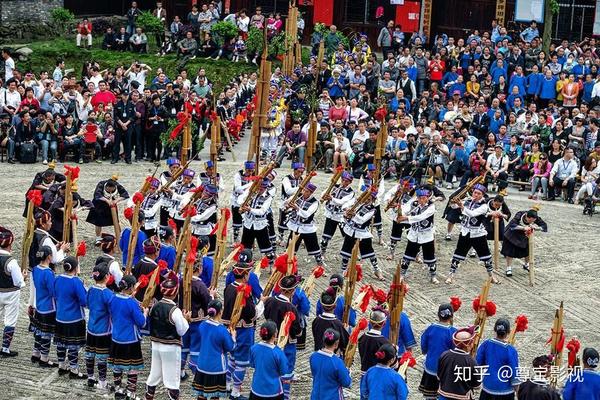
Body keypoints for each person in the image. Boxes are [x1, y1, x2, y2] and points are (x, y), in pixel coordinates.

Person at [145, 271, 190, 400]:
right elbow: (182, 331)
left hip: (155, 345)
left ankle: (149, 396)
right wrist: (186, 319)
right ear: (175, 293)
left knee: (154, 374)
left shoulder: (155, 306)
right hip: (170, 347)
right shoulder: (175, 311)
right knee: (172, 379)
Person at [222, 249, 258, 400]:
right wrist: (259, 307)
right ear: (245, 274)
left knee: (232, 358)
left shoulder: (228, 288)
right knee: (242, 362)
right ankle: (235, 392)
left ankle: (227, 384)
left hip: (231, 329)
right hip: (244, 331)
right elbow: (251, 314)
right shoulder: (244, 292)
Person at [445, 184, 498, 284]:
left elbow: (472, 214)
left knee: (486, 256)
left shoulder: (484, 206)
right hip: (465, 232)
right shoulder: (467, 201)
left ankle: (491, 276)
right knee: (458, 254)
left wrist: (461, 206)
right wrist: (454, 199)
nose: (476, 195)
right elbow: (453, 206)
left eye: (479, 194)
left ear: (482, 195)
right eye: (475, 192)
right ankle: (450, 275)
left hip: (478, 234)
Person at [108, 275, 148, 400]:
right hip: (130, 339)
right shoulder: (131, 303)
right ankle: (131, 392)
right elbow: (141, 322)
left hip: (116, 337)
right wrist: (145, 313)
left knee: (117, 365)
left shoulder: (112, 298)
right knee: (132, 367)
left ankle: (119, 389)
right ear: (131, 287)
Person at [263, 275, 302, 400]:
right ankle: (284, 396)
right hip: (287, 344)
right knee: (286, 370)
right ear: (292, 291)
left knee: (272, 368)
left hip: (270, 340)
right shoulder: (291, 308)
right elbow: (296, 330)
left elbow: (266, 315)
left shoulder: (270, 301)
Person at [191, 299, 236, 400]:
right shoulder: (222, 330)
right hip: (216, 367)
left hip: (202, 364)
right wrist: (233, 336)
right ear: (220, 312)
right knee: (215, 395)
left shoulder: (202, 325)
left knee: (201, 394)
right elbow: (230, 347)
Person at [180, 251, 213, 379]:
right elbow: (207, 303)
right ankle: (196, 372)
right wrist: (211, 295)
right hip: (197, 322)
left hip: (184, 319)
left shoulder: (181, 281)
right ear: (199, 268)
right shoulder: (200, 285)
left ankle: (180, 371)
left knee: (184, 346)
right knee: (195, 348)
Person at [54, 256, 87, 379]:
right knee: (73, 345)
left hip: (60, 317)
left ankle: (62, 365)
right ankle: (73, 369)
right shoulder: (76, 282)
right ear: (75, 267)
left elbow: (55, 294)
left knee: (61, 343)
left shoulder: (57, 279)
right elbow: (84, 301)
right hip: (74, 318)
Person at [397, 187, 438, 283]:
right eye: (420, 198)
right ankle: (402, 274)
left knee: (430, 257)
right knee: (407, 255)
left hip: (426, 235)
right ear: (417, 198)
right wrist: (398, 209)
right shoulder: (414, 204)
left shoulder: (431, 207)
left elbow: (421, 217)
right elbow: (405, 210)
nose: (422, 200)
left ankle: (433, 276)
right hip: (414, 234)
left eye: (424, 198)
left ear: (427, 197)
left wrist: (405, 218)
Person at [341, 187, 382, 280]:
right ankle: (343, 270)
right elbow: (346, 208)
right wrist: (347, 211)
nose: (367, 200)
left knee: (370, 252)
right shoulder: (359, 204)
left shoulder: (373, 210)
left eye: (369, 198)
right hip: (351, 230)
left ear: (373, 199)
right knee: (346, 251)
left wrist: (353, 214)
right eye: (366, 197)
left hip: (362, 233)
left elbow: (362, 220)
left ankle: (377, 270)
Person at [85, 262, 115, 389]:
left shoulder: (91, 290)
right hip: (104, 330)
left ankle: (90, 377)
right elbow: (113, 311)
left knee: (90, 354)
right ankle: (102, 382)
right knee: (102, 357)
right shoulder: (108, 293)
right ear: (107, 276)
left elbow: (87, 303)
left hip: (91, 327)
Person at [418, 303, 457, 400]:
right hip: (445, 370)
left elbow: (424, 344)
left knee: (430, 396)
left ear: (438, 315)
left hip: (431, 366)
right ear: (452, 315)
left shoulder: (431, 328)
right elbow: (455, 351)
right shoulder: (453, 332)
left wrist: (425, 351)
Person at [476, 318, 520, 399]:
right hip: (505, 391)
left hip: (488, 387)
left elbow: (478, 363)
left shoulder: (486, 344)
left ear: (495, 329)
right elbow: (514, 373)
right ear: (508, 332)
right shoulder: (510, 350)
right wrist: (518, 391)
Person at [285, 182, 325, 267]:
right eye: (303, 190)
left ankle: (319, 260)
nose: (304, 192)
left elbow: (306, 214)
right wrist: (288, 203)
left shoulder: (315, 202)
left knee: (314, 246)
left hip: (307, 228)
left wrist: (296, 208)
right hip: (295, 226)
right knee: (291, 246)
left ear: (311, 193)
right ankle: (288, 261)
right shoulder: (298, 196)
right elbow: (285, 203)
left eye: (306, 191)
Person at [437, 326, 482, 399]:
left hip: (443, 396)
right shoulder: (471, 361)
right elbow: (477, 386)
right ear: (468, 345)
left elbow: (439, 377)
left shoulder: (444, 355)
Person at [239, 179, 276, 268]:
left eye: (262, 188)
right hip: (249, 223)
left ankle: (271, 266)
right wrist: (243, 203)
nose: (260, 189)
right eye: (259, 187)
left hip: (260, 225)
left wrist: (250, 209)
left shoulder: (268, 197)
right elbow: (240, 199)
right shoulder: (252, 192)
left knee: (266, 246)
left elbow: (262, 211)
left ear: (265, 187)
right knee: (246, 245)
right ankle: (245, 263)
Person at [31, 246, 58, 367]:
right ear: (49, 257)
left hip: (39, 304)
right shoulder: (48, 273)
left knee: (38, 331)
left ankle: (36, 353)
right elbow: (53, 292)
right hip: (49, 307)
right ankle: (44, 358)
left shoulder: (35, 269)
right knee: (46, 333)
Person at [0, 226, 25, 357]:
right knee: (10, 321)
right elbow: (19, 282)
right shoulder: (11, 262)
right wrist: (23, 277)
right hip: (11, 294)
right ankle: (5, 348)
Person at [501, 207, 548, 277]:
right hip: (512, 234)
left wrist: (537, 228)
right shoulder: (519, 215)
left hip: (525, 235)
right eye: (530, 221)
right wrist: (523, 228)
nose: (531, 222)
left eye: (533, 221)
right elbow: (512, 225)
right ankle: (509, 268)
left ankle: (526, 265)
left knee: (527, 250)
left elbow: (544, 226)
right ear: (526, 217)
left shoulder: (535, 217)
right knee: (510, 251)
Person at [248, 320, 287, 400]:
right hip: (273, 391)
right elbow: (284, 371)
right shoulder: (278, 352)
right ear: (275, 334)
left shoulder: (253, 348)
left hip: (256, 389)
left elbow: (252, 364)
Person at [319, 171, 355, 257]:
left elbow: (341, 202)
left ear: (350, 182)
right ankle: (322, 251)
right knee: (326, 235)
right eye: (343, 180)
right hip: (331, 214)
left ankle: (352, 252)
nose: (344, 182)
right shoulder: (334, 186)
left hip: (341, 216)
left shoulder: (351, 192)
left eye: (346, 181)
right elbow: (323, 193)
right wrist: (325, 195)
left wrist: (331, 198)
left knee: (346, 235)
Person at [309, 328, 352, 399]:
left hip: (315, 395)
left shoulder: (313, 356)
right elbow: (346, 383)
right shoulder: (337, 362)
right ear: (336, 344)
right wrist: (348, 372)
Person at [86, 176, 129, 243]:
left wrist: (116, 200)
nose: (110, 191)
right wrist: (107, 200)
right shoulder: (101, 184)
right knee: (98, 222)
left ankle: (119, 236)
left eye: (112, 190)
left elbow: (125, 195)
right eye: (109, 190)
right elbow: (97, 195)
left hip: (112, 205)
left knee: (116, 221)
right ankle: (98, 238)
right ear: (106, 187)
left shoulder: (117, 185)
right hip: (99, 204)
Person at [383, 176, 415, 260]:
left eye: (405, 187)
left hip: (408, 217)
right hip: (397, 216)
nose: (402, 188)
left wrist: (397, 206)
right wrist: (389, 200)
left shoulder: (415, 193)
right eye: (401, 186)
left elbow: (409, 207)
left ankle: (416, 255)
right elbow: (388, 194)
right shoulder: (398, 187)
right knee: (394, 237)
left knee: (413, 237)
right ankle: (391, 253)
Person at [359, 307, 391, 373]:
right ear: (384, 323)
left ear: (370, 322)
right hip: (377, 375)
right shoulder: (384, 342)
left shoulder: (362, 337)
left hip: (364, 373)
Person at [231, 161, 256, 243]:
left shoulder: (254, 175)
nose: (250, 172)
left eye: (252, 170)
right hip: (237, 200)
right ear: (245, 169)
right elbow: (238, 189)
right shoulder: (238, 175)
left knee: (248, 220)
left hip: (248, 201)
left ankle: (248, 240)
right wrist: (250, 185)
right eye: (249, 170)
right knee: (237, 221)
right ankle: (235, 240)